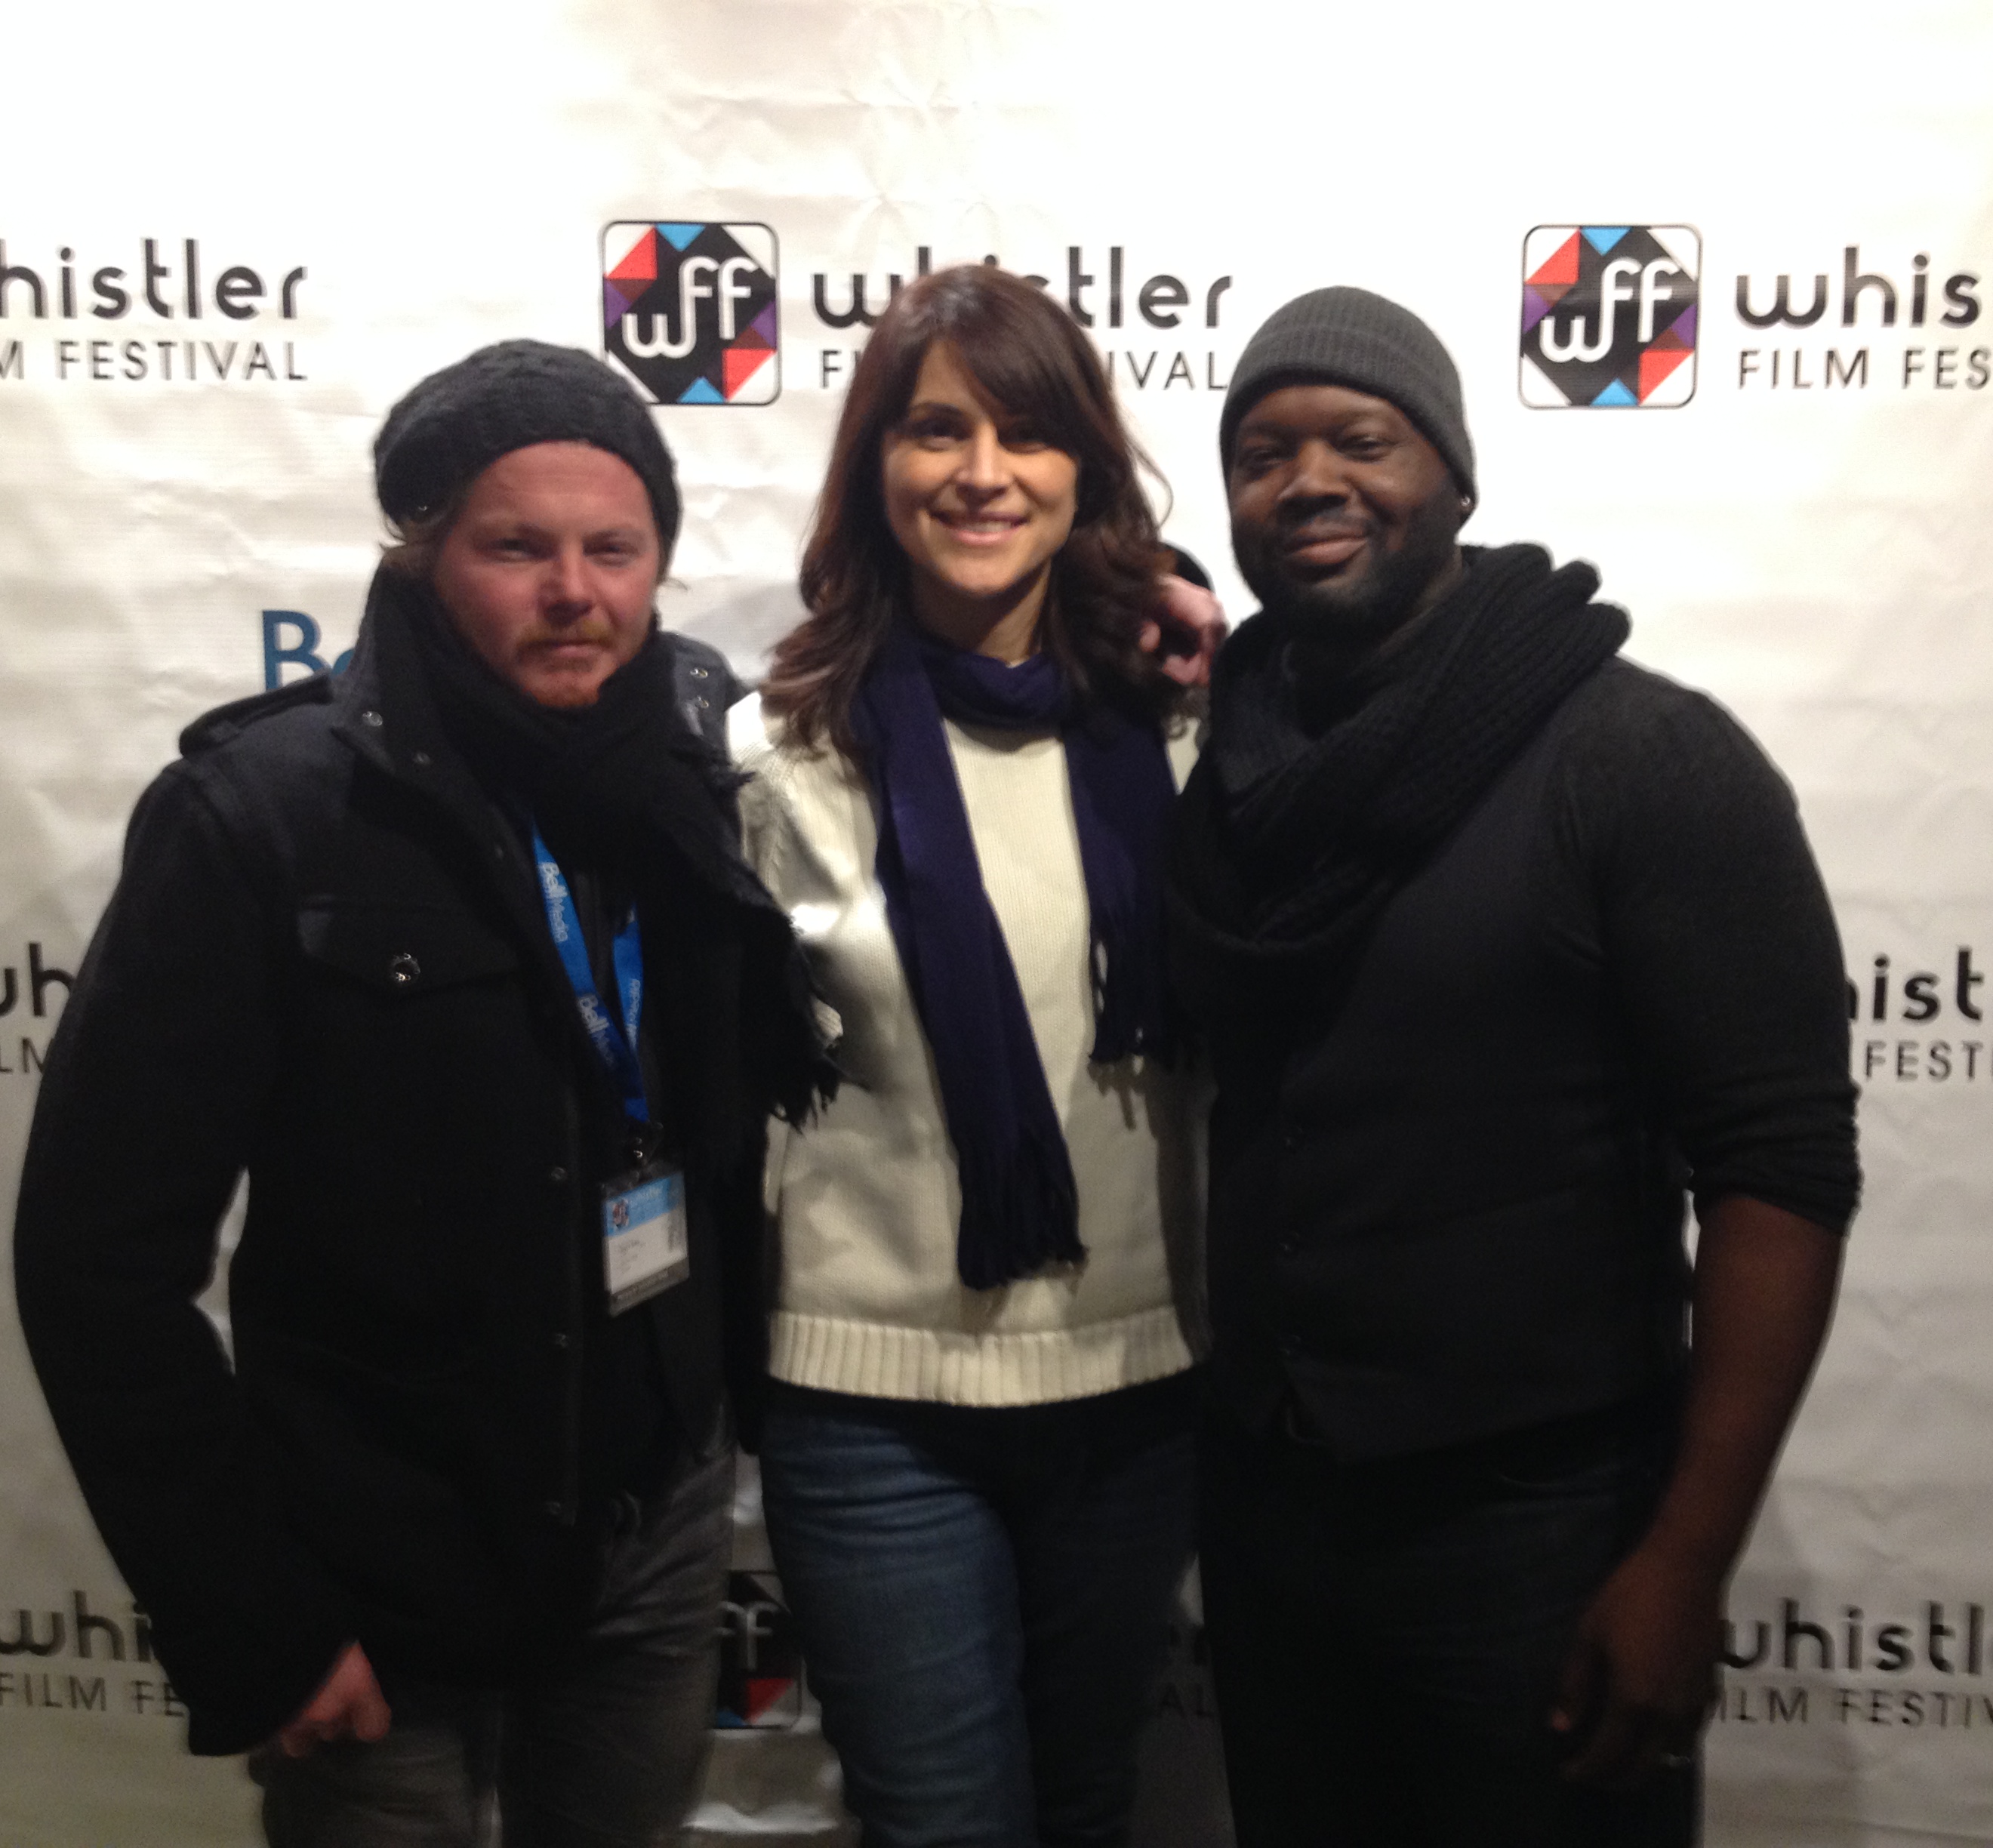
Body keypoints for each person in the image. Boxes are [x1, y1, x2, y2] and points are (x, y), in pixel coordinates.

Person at [12, 340, 825, 1846]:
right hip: (370, 1565)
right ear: (424, 553)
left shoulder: (694, 774)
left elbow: (946, 650)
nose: (573, 588)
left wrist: (1156, 600)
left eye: (614, 547)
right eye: (517, 547)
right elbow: (96, 1265)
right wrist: (250, 1613)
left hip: (650, 1533)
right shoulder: (264, 813)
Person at [1168, 287, 1860, 1846]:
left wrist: (1685, 1561)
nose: (1310, 481)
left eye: (1364, 438)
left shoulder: (1639, 758)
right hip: (1273, 1512)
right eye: (1263, 452)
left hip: (1542, 1527)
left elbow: (1783, 1170)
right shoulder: (1226, 771)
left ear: (1457, 480)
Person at [729, 262, 1205, 1848]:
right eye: (937, 430)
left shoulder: (1189, 732)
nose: (984, 472)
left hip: (1135, 1386)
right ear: (878, 466)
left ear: (1087, 471)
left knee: (1085, 1811)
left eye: (1028, 433)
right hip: (872, 1408)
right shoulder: (777, 754)